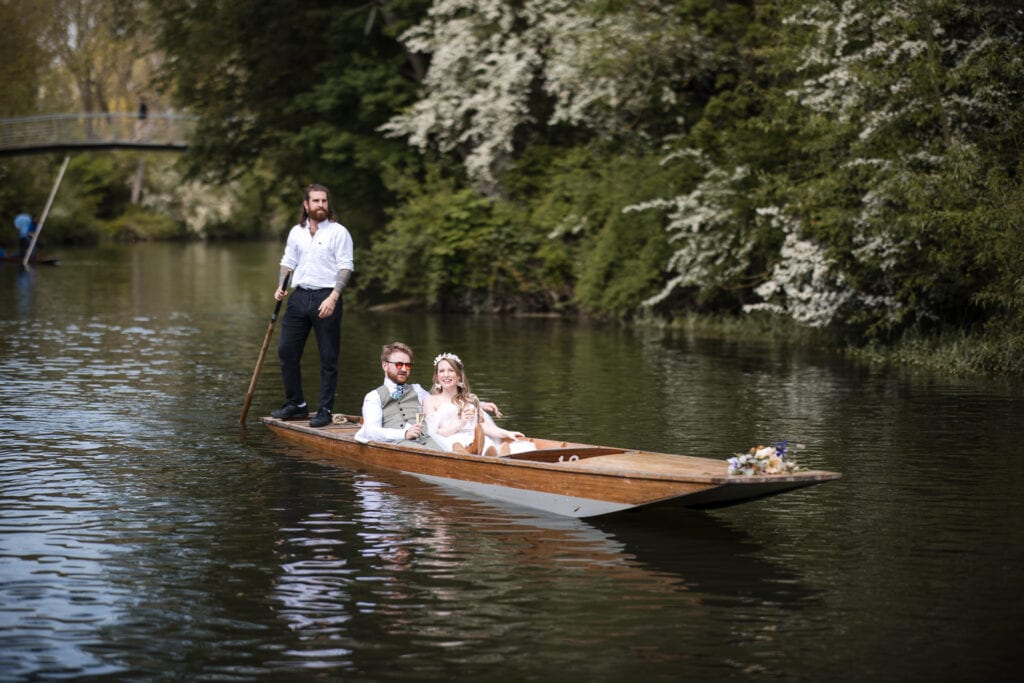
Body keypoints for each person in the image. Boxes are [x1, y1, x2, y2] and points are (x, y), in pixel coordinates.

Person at [270, 183, 354, 428]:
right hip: (299, 297)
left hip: (326, 297)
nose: (320, 205)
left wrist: (333, 297)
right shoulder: (297, 232)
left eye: (324, 201)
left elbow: (345, 266)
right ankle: (296, 405)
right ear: (306, 205)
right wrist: (281, 286)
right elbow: (288, 262)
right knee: (286, 351)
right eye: (315, 201)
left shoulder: (339, 232)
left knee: (328, 357)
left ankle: (325, 409)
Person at [423, 351, 534, 456]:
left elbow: (484, 426)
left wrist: (506, 433)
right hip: (449, 440)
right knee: (457, 445)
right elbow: (434, 434)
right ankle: (472, 452)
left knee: (485, 441)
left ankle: (495, 453)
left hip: (475, 438)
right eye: (442, 371)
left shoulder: (470, 400)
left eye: (451, 370)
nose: (446, 375)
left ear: (458, 376)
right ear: (437, 377)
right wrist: (460, 424)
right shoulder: (431, 400)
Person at [354, 342, 445, 449]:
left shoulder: (417, 390)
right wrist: (404, 434)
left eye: (407, 365)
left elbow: (441, 404)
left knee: (447, 453)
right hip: (398, 445)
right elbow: (371, 432)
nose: (403, 369)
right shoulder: (374, 397)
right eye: (398, 364)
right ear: (385, 365)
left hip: (428, 440)